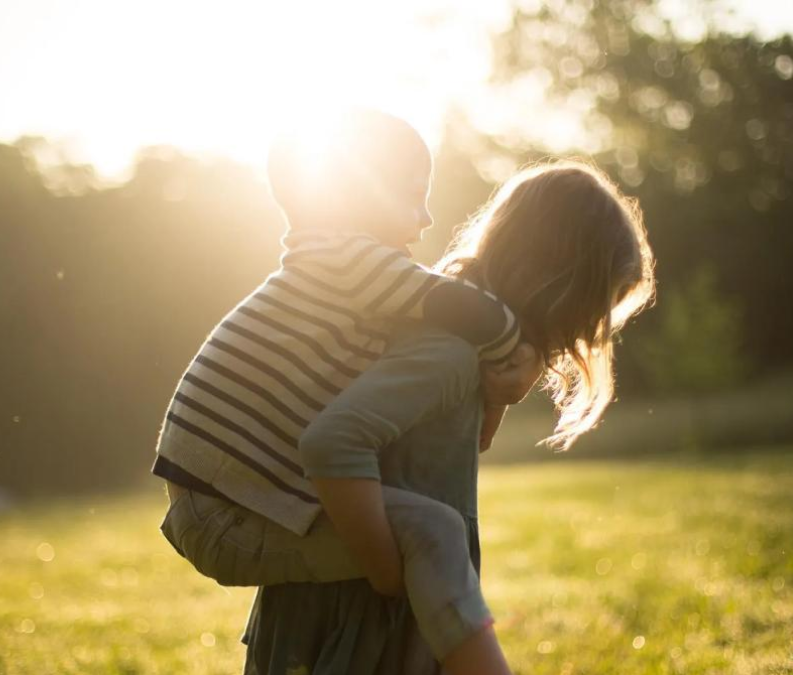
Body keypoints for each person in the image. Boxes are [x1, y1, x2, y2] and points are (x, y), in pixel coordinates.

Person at [154, 110, 543, 674]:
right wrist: (519, 352)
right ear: (361, 193)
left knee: (424, 529)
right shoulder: (347, 260)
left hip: (222, 502)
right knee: (433, 531)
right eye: (414, 195)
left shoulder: (331, 269)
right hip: (226, 513)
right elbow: (464, 309)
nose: (427, 217)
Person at [239, 159, 657, 674]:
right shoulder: (448, 352)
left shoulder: (465, 346)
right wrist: (388, 572)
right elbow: (334, 441)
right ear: (559, 285)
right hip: (359, 609)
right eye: (595, 308)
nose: (589, 331)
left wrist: (505, 385)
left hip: (386, 597)